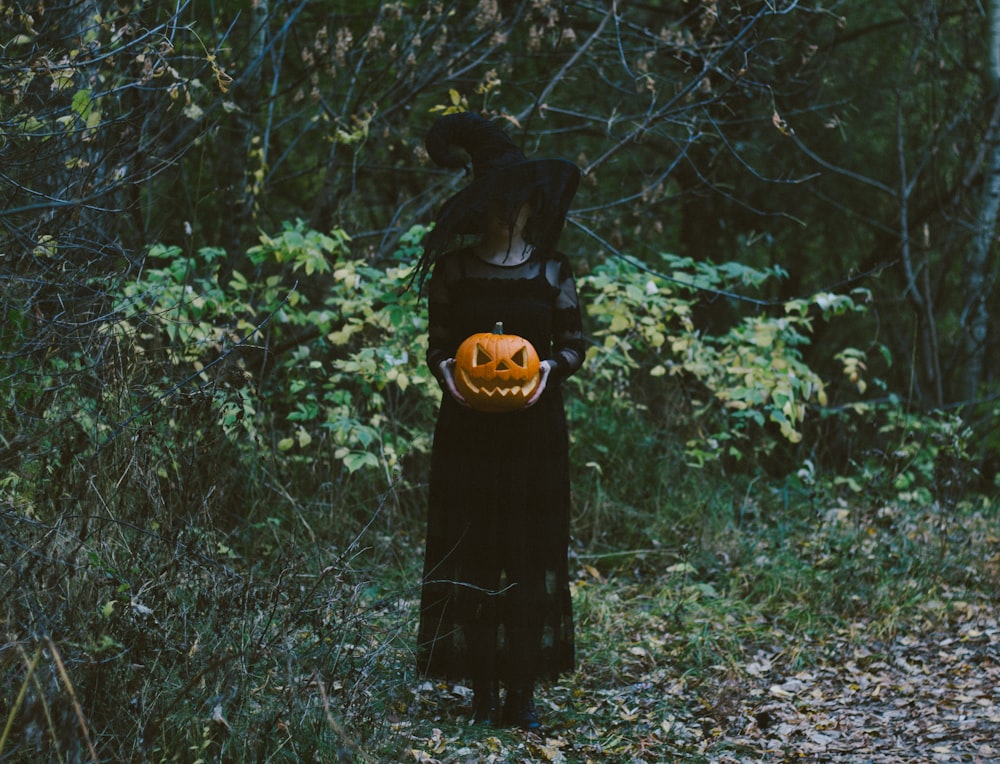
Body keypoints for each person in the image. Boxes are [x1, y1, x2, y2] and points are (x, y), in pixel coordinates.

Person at [414, 112, 586, 730]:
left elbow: (574, 344)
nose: (511, 212)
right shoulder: (455, 271)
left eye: (519, 202)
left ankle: (522, 692)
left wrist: (546, 371)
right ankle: (482, 688)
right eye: (499, 202)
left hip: (534, 434)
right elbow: (437, 346)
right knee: (475, 553)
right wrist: (447, 376)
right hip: (469, 432)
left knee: (527, 552)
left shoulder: (553, 271)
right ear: (480, 207)